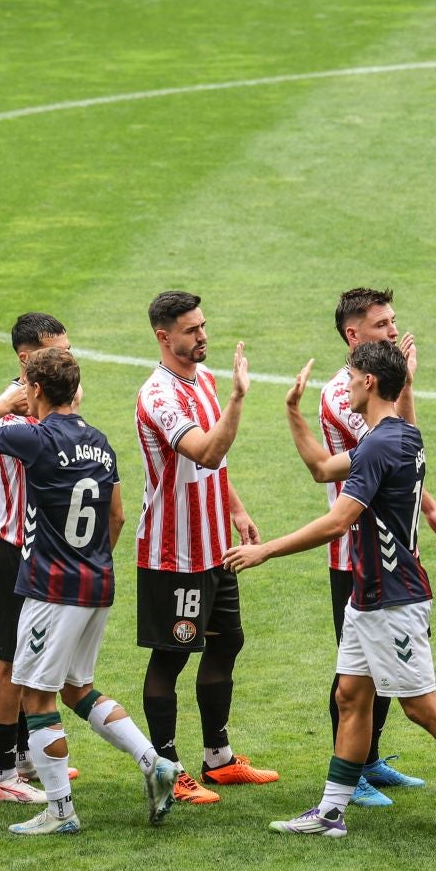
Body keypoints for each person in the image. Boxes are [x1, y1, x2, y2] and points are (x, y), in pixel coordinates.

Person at [227, 343, 436, 842]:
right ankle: (331, 811)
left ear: (370, 383)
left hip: (393, 598)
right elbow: (322, 469)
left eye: (351, 375)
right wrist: (292, 412)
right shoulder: (393, 436)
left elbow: (338, 521)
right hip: (370, 595)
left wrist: (266, 551)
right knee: (350, 696)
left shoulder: (381, 445)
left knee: (421, 706)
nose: (344, 383)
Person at [0, 347, 177, 834]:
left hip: (50, 587)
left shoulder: (35, 438)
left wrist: (4, 405)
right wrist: (92, 560)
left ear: (35, 390)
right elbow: (118, 515)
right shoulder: (102, 444)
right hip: (97, 583)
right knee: (79, 688)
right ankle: (155, 762)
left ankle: (60, 811)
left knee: (37, 697)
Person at [132, 290, 276, 803]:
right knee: (171, 657)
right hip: (174, 553)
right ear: (163, 336)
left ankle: (217, 759)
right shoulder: (160, 397)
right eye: (191, 330)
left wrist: (235, 509)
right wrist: (238, 400)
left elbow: (215, 467)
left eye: (203, 326)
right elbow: (208, 451)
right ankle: (165, 767)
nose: (203, 337)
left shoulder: (205, 381)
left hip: (215, 546)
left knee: (226, 641)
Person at [318, 288, 436, 806]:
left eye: (394, 322)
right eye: (382, 325)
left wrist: (430, 505)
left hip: (389, 550)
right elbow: (387, 450)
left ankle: (366, 763)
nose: (393, 331)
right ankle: (350, 778)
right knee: (354, 677)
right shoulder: (343, 395)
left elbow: (403, 446)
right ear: (354, 336)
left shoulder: (382, 391)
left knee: (366, 677)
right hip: (354, 552)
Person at [0, 312, 69, 803]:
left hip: (44, 553)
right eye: (60, 352)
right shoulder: (11, 414)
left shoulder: (49, 404)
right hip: (16, 552)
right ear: (28, 357)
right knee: (11, 665)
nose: (69, 359)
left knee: (36, 662)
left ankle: (26, 756)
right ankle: (0, 774)